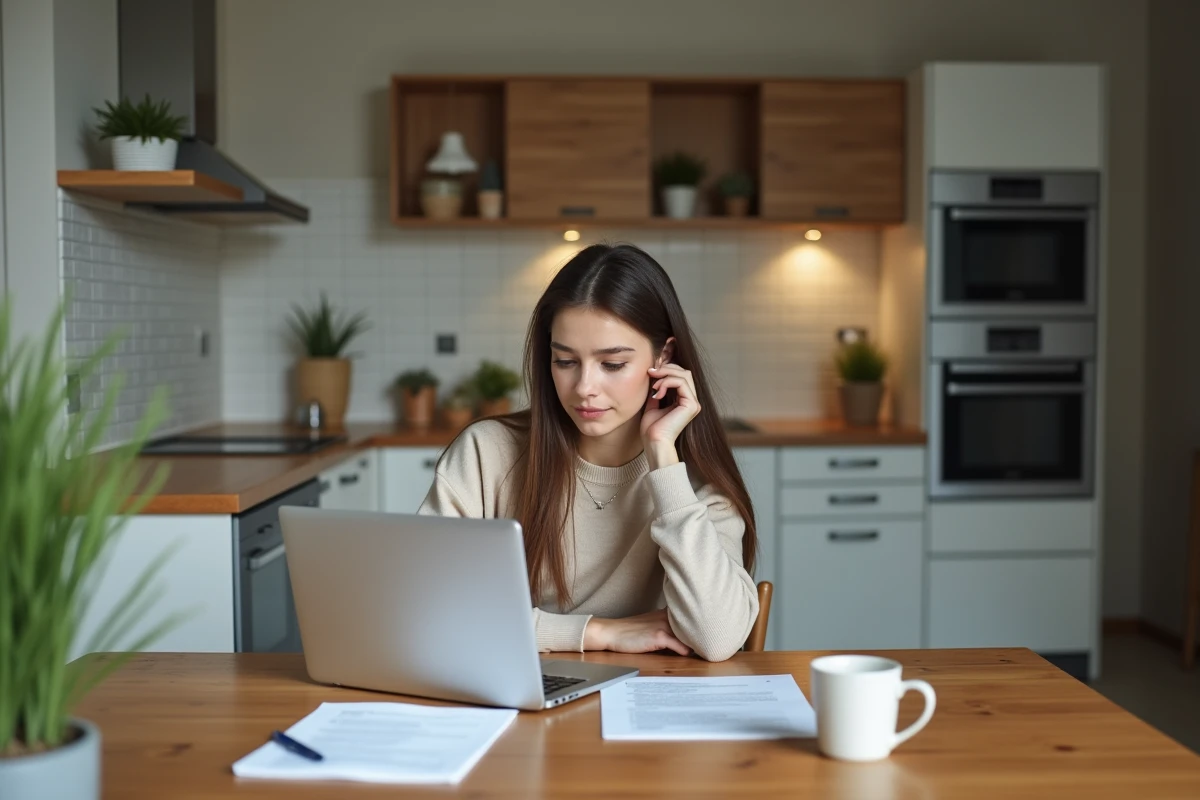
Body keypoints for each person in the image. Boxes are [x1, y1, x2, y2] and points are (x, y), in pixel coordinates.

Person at [418, 243, 758, 662]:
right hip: (521, 692)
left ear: (664, 356)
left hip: (652, 700)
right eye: (565, 361)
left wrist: (663, 461)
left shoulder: (699, 483)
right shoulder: (486, 454)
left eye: (612, 364)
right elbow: (426, 613)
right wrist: (598, 632)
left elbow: (716, 637)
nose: (584, 388)